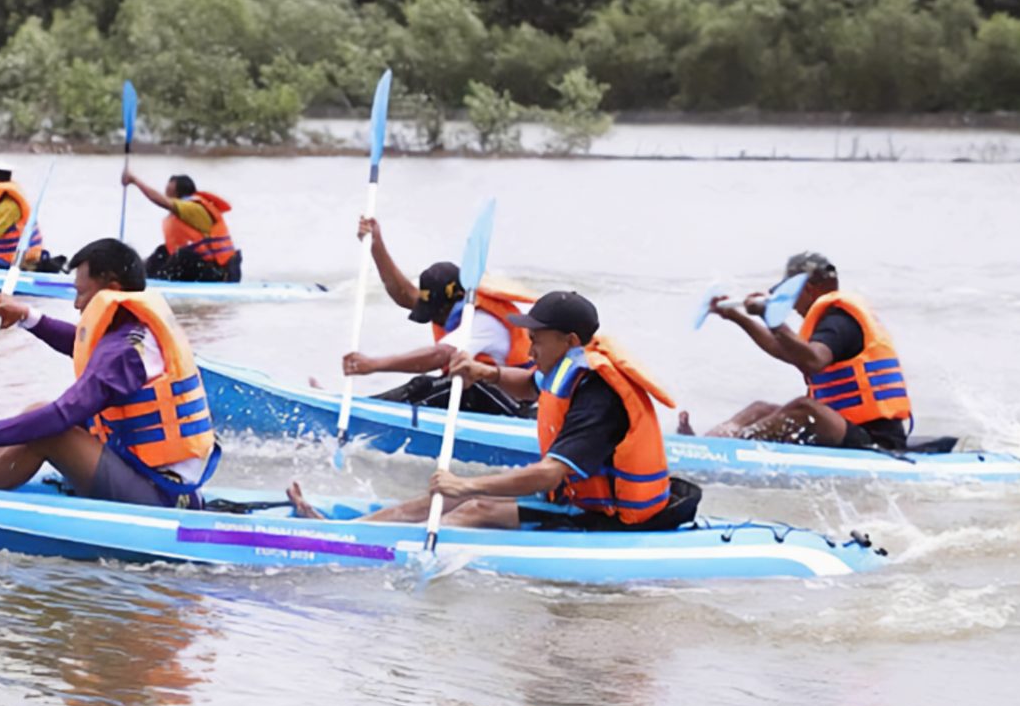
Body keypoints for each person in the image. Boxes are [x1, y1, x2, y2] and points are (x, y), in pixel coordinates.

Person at [289, 290, 700, 531]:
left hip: (611, 518)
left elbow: (551, 472)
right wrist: (483, 372)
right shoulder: (570, 364)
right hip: (576, 498)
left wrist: (469, 486)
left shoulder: (600, 396)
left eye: (537, 337)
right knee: (437, 496)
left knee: (474, 506)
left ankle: (366, 546)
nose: (530, 343)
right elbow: (529, 384)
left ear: (570, 339)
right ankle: (352, 532)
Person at [0, 239, 220, 509]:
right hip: (141, 474)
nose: (76, 305)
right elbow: (82, 343)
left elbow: (63, 415)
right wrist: (28, 317)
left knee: (51, 432)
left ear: (112, 288)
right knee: (36, 411)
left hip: (162, 498)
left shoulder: (126, 353)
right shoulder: (128, 329)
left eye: (81, 293)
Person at [679, 251, 912, 449]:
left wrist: (772, 320)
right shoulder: (830, 320)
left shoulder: (838, 321)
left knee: (805, 408)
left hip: (874, 439)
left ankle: (731, 450)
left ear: (808, 289)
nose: (791, 306)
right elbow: (783, 349)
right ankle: (707, 446)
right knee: (760, 408)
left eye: (791, 296)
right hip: (845, 426)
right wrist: (736, 317)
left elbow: (813, 362)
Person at [346, 216, 535, 416]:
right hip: (490, 396)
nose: (434, 319)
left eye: (437, 312)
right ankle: (356, 408)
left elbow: (439, 355)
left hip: (515, 406)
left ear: (455, 300)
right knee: (444, 383)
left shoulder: (483, 320)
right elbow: (405, 296)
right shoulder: (450, 306)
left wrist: (373, 364)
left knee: (429, 386)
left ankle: (356, 412)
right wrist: (376, 246)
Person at [121, 170, 242, 283]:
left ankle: (157, 280)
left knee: (182, 256)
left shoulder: (193, 208)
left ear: (178, 190)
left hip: (221, 273)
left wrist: (134, 181)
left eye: (169, 186)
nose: (165, 190)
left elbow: (159, 200)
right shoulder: (186, 207)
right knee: (163, 251)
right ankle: (133, 273)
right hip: (205, 267)